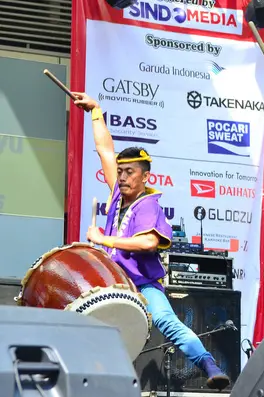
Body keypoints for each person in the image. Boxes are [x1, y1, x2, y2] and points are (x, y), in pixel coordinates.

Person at [73, 92, 230, 390]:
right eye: (119, 171)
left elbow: (147, 243)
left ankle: (209, 365)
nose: (121, 176)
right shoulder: (118, 194)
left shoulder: (149, 205)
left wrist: (102, 238)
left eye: (129, 172)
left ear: (144, 176)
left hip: (143, 285)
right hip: (112, 281)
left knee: (167, 322)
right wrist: (95, 112)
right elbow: (105, 150)